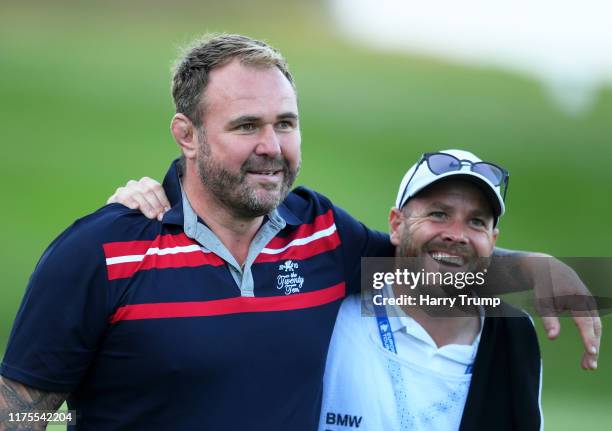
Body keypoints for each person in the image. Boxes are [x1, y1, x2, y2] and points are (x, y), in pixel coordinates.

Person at [0, 34, 599, 430]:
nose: (271, 147)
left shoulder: (320, 235)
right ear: (187, 134)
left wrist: (539, 268)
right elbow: (21, 412)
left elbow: (427, 271)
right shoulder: (103, 253)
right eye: (246, 126)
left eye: (285, 123)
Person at [319, 149, 542, 431]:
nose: (457, 235)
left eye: (476, 221)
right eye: (439, 214)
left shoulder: (514, 337)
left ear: (492, 240)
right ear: (396, 224)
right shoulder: (337, 317)